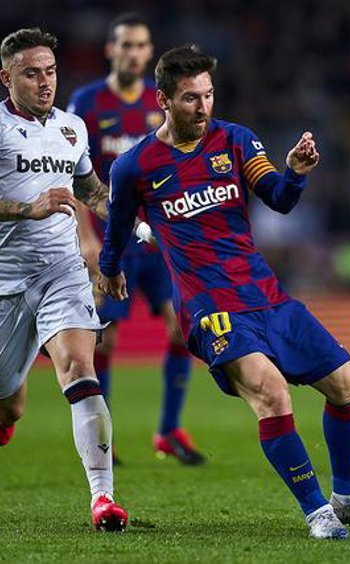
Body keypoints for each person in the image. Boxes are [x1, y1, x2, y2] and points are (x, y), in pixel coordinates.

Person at [98, 44, 350, 541]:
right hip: (209, 309)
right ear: (163, 99)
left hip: (267, 295)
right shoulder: (134, 167)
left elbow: (279, 200)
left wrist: (295, 172)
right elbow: (115, 231)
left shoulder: (236, 141)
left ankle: (347, 498)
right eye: (190, 98)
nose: (202, 107)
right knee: (272, 392)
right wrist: (110, 270)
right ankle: (317, 512)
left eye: (208, 95)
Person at [0, 27, 127, 530]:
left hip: (61, 270)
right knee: (9, 407)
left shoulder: (72, 128)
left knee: (78, 366)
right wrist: (26, 209)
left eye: (50, 71)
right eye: (32, 74)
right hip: (4, 280)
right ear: (7, 78)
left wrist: (137, 222)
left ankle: (103, 499)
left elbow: (91, 190)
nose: (45, 82)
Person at [67, 14, 204, 465]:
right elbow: (73, 174)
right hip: (112, 239)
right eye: (126, 44)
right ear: (111, 50)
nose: (134, 52)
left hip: (158, 237)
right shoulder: (86, 102)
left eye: (141, 45)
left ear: (149, 52)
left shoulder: (158, 100)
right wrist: (85, 237)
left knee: (181, 327)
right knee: (106, 339)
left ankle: (169, 430)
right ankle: (104, 440)